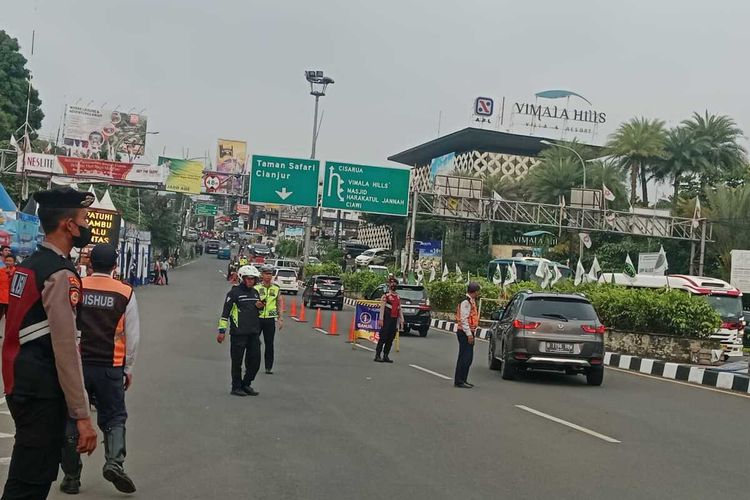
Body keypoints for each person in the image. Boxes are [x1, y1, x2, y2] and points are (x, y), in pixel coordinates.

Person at [1, 187, 98, 499]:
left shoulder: (30, 264)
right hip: (42, 389)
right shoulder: (59, 274)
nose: (86, 226)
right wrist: (82, 415)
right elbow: (66, 348)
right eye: (83, 219)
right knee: (32, 482)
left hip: (21, 381)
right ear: (68, 225)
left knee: (25, 473)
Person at [60, 244, 139, 495]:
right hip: (110, 367)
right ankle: (114, 462)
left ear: (90, 263)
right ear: (115, 266)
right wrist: (127, 368)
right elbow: (132, 336)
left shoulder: (78, 286)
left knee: (72, 417)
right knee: (114, 416)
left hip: (78, 365)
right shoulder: (125, 292)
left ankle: (71, 477)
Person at [217, 265, 262, 396]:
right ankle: (236, 386)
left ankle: (246, 383)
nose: (251, 281)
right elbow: (225, 313)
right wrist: (221, 331)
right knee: (237, 362)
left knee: (255, 361)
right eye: (248, 279)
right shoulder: (234, 293)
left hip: (253, 332)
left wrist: (259, 307)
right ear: (243, 278)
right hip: (238, 333)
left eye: (253, 279)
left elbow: (256, 310)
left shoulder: (255, 293)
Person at [256, 265, 283, 374]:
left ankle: (268, 367)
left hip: (270, 319)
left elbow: (279, 302)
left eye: (270, 274)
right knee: (253, 343)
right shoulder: (256, 288)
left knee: (269, 343)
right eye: (266, 274)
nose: (268, 276)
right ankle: (251, 364)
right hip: (257, 318)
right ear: (262, 275)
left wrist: (280, 318)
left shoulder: (276, 288)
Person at [454, 282, 481, 388]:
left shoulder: (471, 301)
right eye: (478, 291)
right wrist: (469, 335)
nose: (478, 293)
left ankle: (463, 379)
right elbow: (464, 319)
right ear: (474, 291)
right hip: (465, 332)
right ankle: (459, 381)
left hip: (468, 332)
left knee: (468, 358)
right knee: (465, 357)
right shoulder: (466, 302)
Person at [375, 276, 404, 363]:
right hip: (386, 319)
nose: (393, 285)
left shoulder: (398, 297)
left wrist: (402, 318)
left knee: (390, 338)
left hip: (394, 320)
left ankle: (386, 355)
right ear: (389, 285)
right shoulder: (386, 296)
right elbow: (382, 308)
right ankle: (377, 355)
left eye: (395, 283)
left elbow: (399, 308)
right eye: (391, 283)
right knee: (383, 337)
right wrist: (381, 319)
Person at [0, 254, 16, 321]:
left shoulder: (17, 271)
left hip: (11, 299)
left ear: (14, 262)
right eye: (7, 260)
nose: (8, 262)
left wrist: (10, 275)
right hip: (1, 298)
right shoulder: (1, 271)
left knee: (10, 319)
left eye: (10, 261)